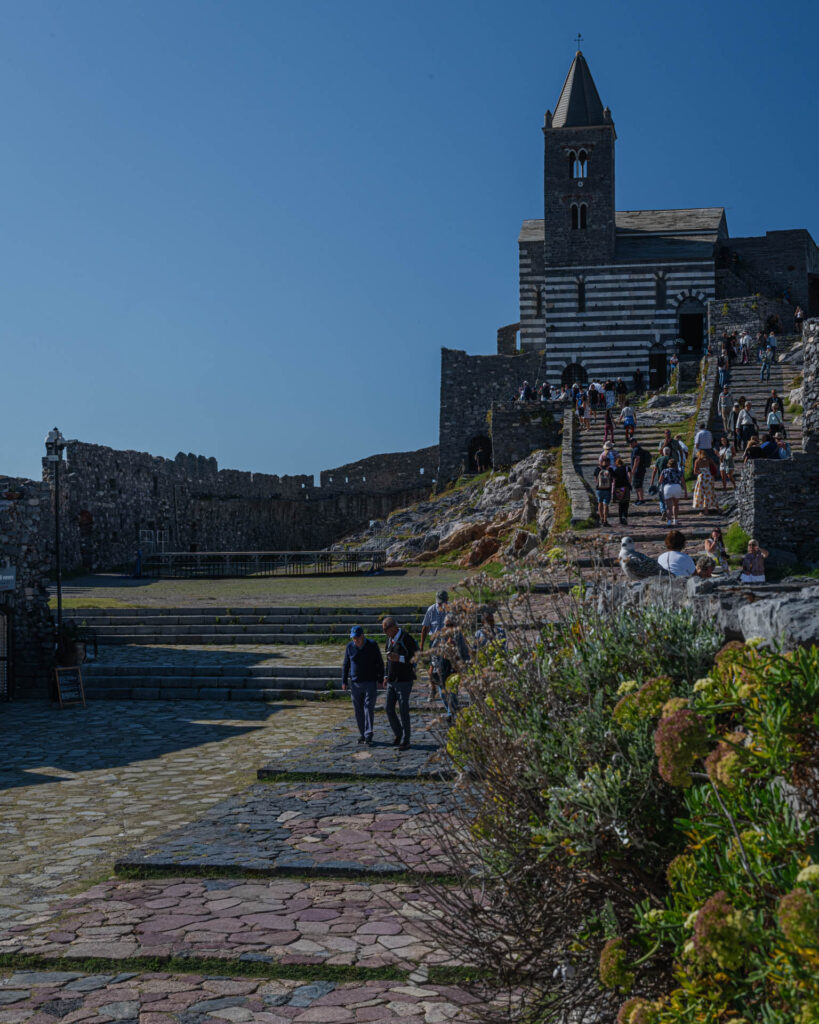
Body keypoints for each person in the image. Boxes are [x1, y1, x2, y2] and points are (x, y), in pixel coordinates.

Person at [342, 626, 385, 745]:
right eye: (353, 638)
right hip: (355, 683)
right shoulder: (350, 647)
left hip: (370, 682)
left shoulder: (372, 645)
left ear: (362, 636)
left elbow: (379, 662)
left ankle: (368, 734)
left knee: (368, 708)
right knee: (358, 710)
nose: (355, 640)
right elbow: (346, 664)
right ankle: (362, 734)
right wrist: (344, 681)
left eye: (357, 638)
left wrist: (381, 679)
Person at [382, 615, 419, 750]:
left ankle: (406, 739)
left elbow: (415, 658)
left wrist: (400, 658)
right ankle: (398, 733)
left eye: (386, 629)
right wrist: (386, 675)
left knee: (403, 709)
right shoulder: (389, 639)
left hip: (404, 679)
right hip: (392, 680)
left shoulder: (406, 639)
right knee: (388, 708)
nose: (384, 632)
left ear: (394, 627)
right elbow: (388, 659)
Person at [435, 614, 470, 723]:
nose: (448, 627)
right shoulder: (441, 636)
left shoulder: (459, 637)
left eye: (451, 625)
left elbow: (465, 653)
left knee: (452, 692)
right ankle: (450, 711)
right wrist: (434, 665)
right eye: (447, 625)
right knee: (442, 693)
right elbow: (435, 651)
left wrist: (464, 665)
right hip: (442, 667)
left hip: (454, 668)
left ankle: (451, 714)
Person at [420, 590, 448, 702]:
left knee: (446, 667)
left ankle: (447, 690)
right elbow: (425, 628)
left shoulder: (451, 610)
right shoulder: (431, 610)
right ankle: (433, 689)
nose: (441, 605)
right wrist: (422, 644)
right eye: (439, 603)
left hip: (447, 643)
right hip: (434, 642)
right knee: (432, 668)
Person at [659, 455, 687, 527]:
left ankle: (669, 521)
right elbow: (683, 482)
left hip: (668, 487)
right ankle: (675, 520)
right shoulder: (679, 471)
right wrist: (686, 491)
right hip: (677, 487)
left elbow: (660, 481)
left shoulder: (664, 471)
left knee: (669, 507)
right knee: (676, 505)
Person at [649, 446, 673, 520]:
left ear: (663, 452)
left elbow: (655, 470)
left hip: (661, 481)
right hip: (671, 482)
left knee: (661, 498)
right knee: (669, 499)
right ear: (669, 452)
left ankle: (663, 511)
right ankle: (669, 513)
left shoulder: (659, 459)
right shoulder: (672, 459)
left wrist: (652, 481)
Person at [612, 455, 631, 526]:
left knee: (620, 504)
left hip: (618, 488)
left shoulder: (616, 470)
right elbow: (629, 477)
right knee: (626, 503)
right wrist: (628, 483)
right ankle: (625, 517)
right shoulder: (627, 468)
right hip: (625, 488)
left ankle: (620, 519)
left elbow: (614, 480)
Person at [628, 437, 648, 504]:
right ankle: (638, 498)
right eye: (629, 443)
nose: (630, 444)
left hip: (638, 470)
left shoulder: (636, 449)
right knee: (636, 485)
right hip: (639, 469)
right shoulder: (636, 449)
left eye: (631, 443)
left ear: (635, 442)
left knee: (638, 485)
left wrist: (633, 470)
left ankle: (641, 499)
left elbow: (637, 460)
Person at [594, 455, 613, 526]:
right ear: (608, 462)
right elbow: (613, 479)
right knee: (606, 505)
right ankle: (605, 520)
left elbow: (595, 479)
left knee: (600, 503)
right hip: (607, 489)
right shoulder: (610, 469)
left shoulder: (597, 469)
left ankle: (601, 518)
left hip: (599, 489)